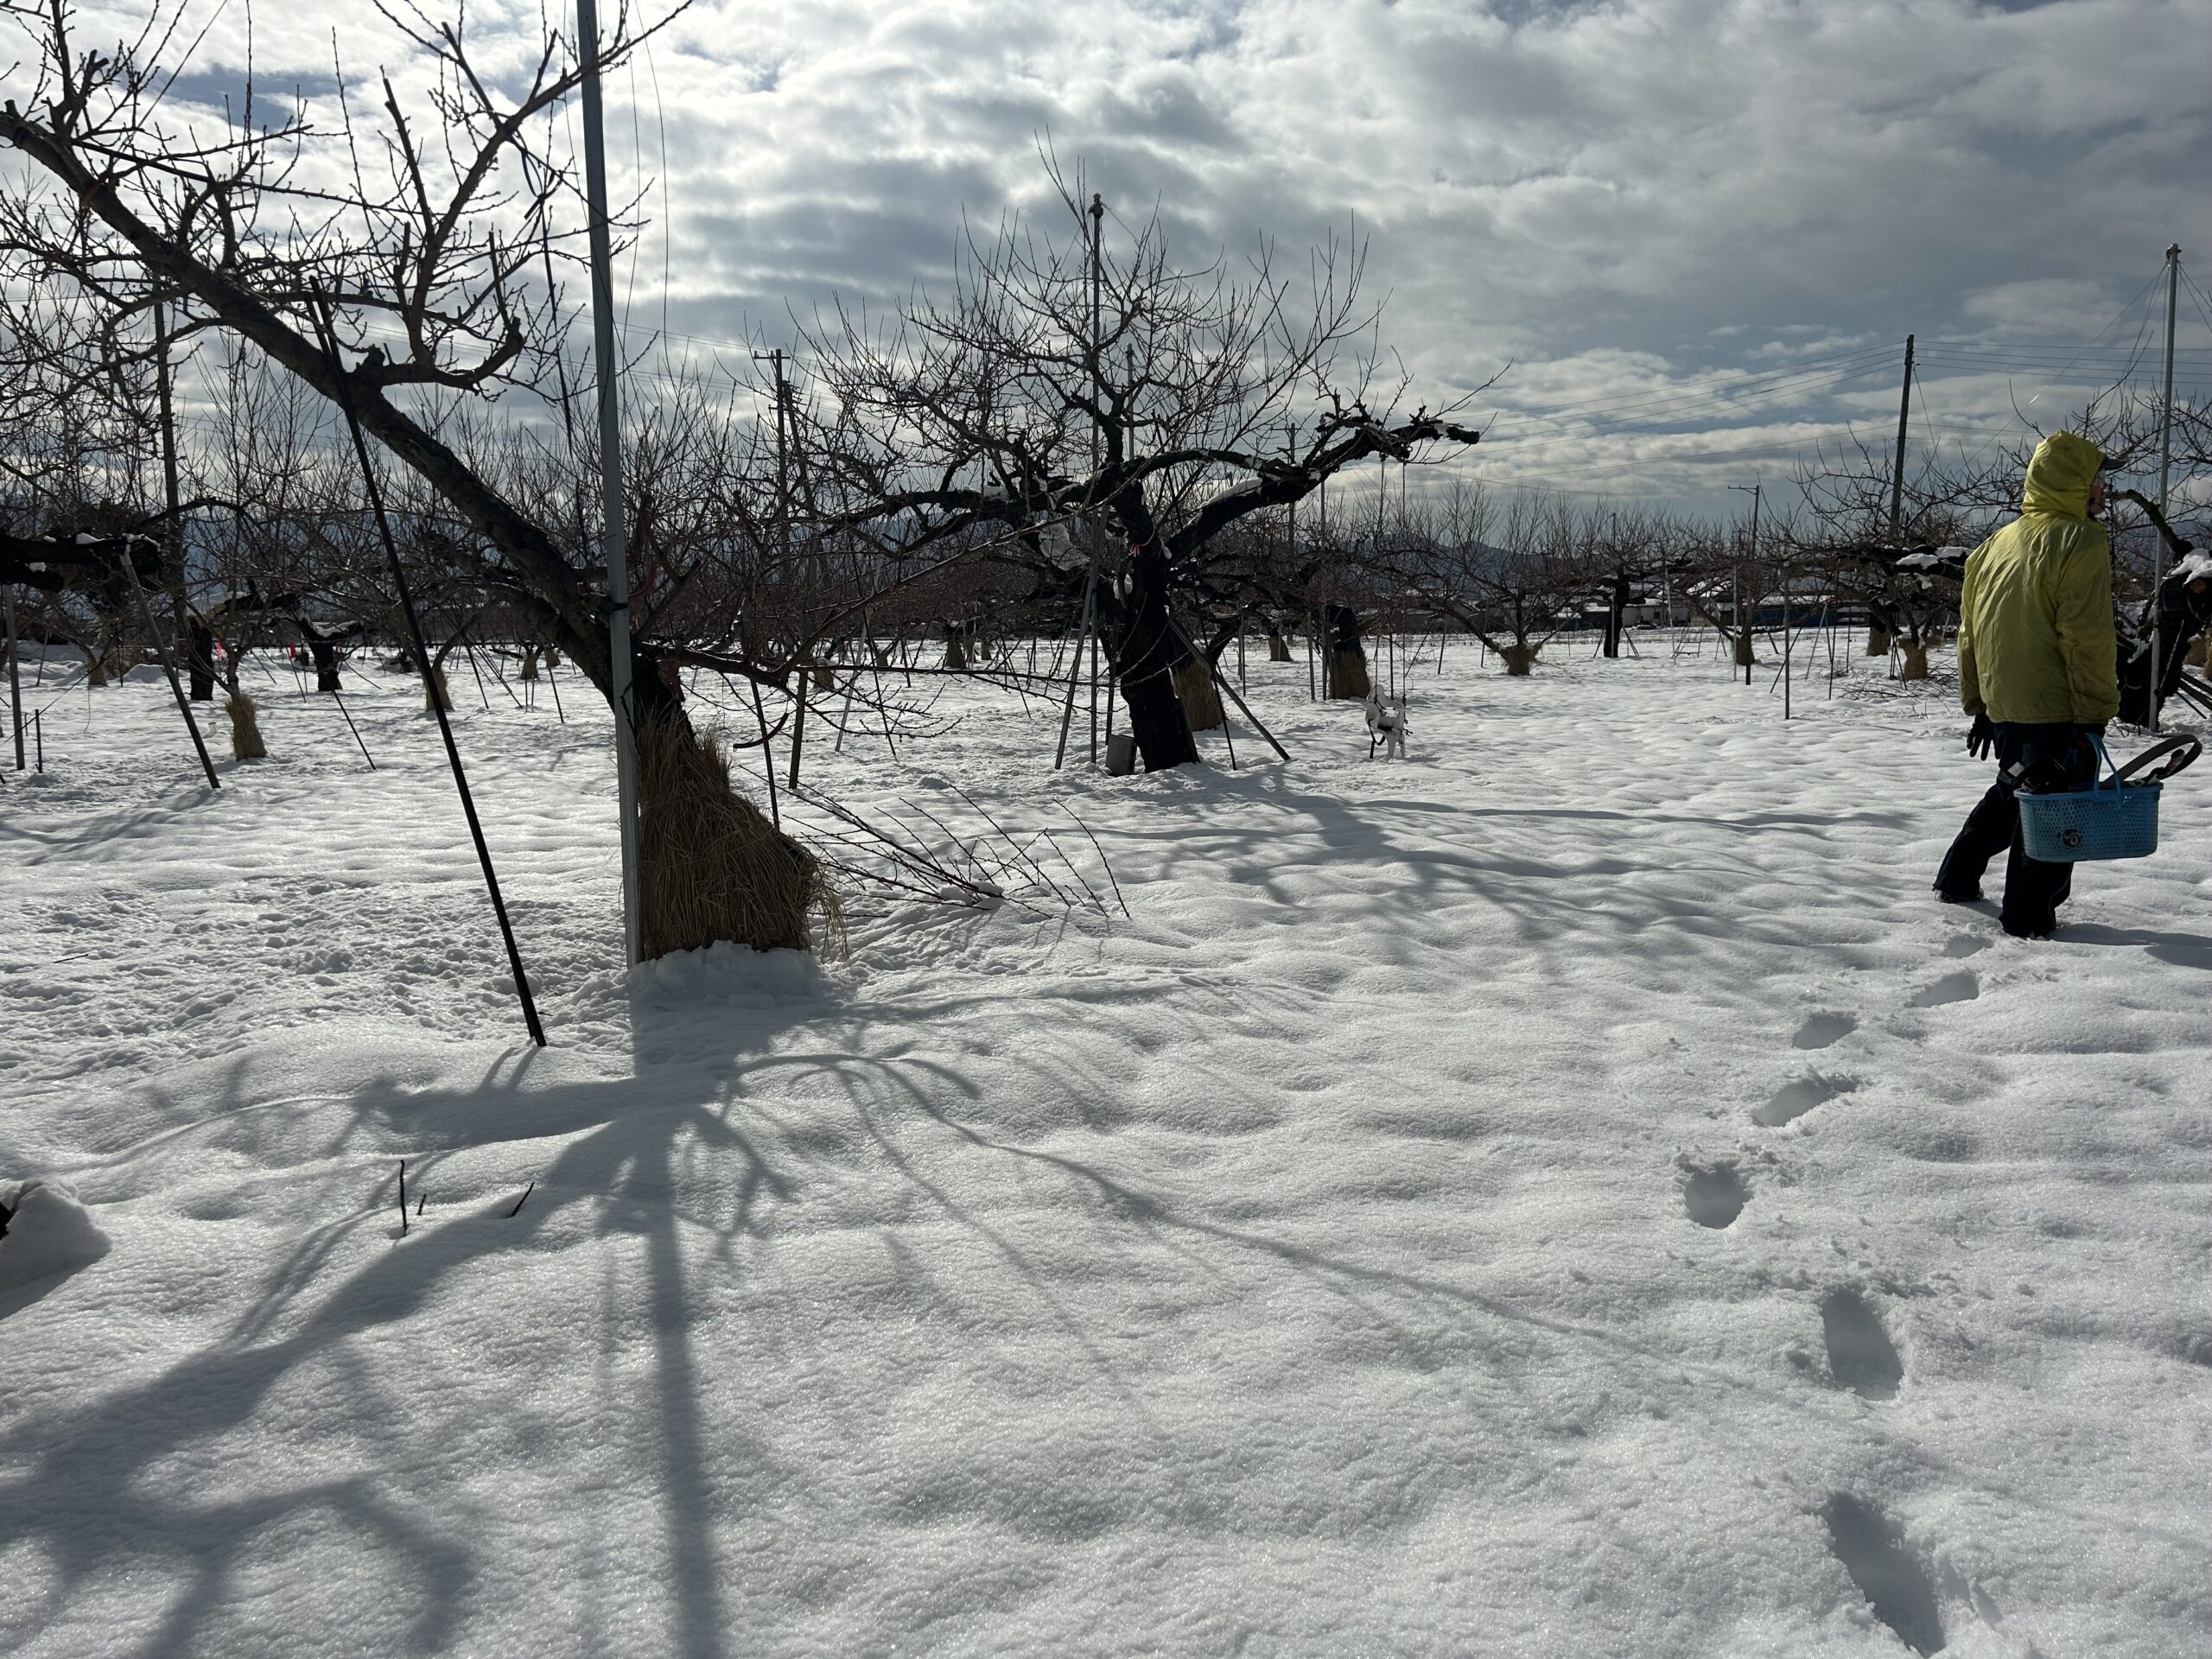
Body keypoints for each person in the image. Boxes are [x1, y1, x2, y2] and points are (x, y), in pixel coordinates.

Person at [1933, 431, 2119, 938]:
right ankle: (2028, 920)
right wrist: (2095, 713)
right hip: (2057, 705)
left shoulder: (1994, 544)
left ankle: (1956, 878)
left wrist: (1979, 704)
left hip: (2006, 705)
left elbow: (1969, 634)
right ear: (2078, 484)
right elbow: (2085, 636)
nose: (2105, 492)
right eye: (2099, 481)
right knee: (2054, 809)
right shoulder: (2079, 540)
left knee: (2016, 787)